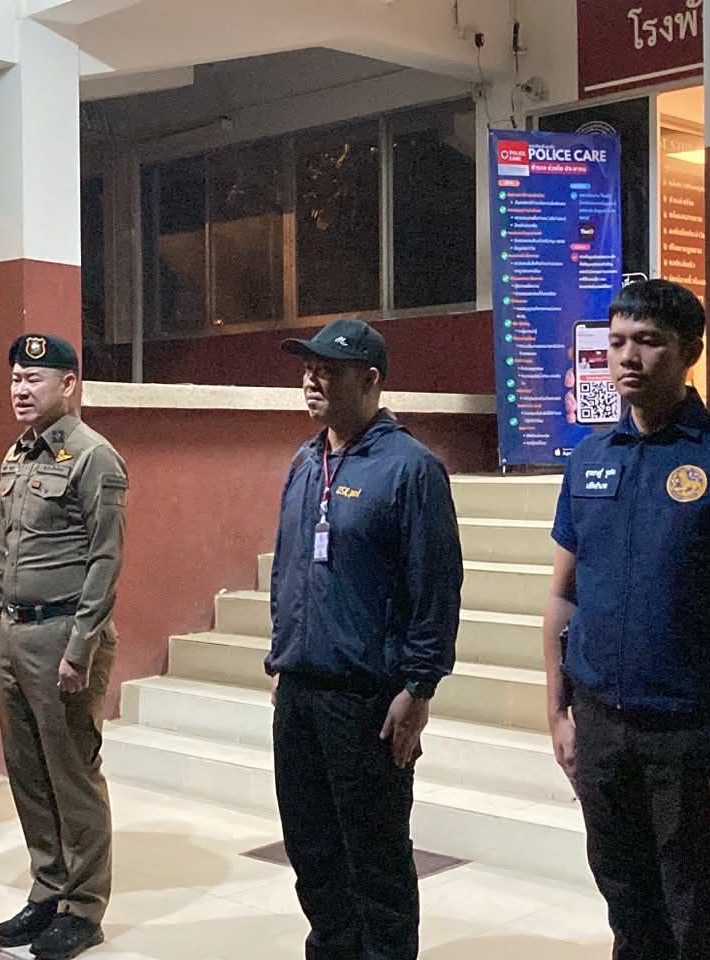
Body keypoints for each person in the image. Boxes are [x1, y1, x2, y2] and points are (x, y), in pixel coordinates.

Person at [542, 279, 710, 960]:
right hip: (601, 731)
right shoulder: (589, 460)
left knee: (699, 917)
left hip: (694, 738)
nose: (627, 357)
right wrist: (558, 712)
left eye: (649, 341)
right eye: (616, 342)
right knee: (628, 910)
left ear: (690, 352)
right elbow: (563, 596)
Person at [266, 318, 463, 960]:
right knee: (312, 851)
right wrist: (281, 660)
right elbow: (289, 569)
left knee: (375, 859)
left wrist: (419, 687)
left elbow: (435, 587)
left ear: (371, 380)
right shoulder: (305, 461)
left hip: (367, 701)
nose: (312, 380)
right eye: (308, 369)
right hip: (300, 690)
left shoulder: (411, 469)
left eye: (329, 370)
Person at [0, 333, 127, 960]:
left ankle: (83, 908)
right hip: (16, 634)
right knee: (29, 774)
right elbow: (2, 552)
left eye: (34, 378)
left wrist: (81, 647)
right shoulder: (18, 455)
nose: (20, 389)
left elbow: (105, 561)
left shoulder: (94, 457)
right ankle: (48, 889)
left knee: (72, 776)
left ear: (69, 384)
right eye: (16, 378)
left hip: (63, 636)